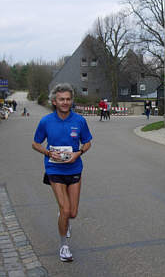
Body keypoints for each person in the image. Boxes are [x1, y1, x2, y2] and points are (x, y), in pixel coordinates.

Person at [32, 83, 92, 262]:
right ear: (54, 101)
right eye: (61, 99)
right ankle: (64, 246)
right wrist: (49, 152)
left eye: (68, 99)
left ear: (71, 101)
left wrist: (78, 153)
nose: (65, 102)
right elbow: (35, 143)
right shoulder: (46, 121)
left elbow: (88, 142)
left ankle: (63, 217)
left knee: (72, 213)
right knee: (65, 209)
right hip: (54, 169)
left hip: (74, 169)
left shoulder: (79, 121)